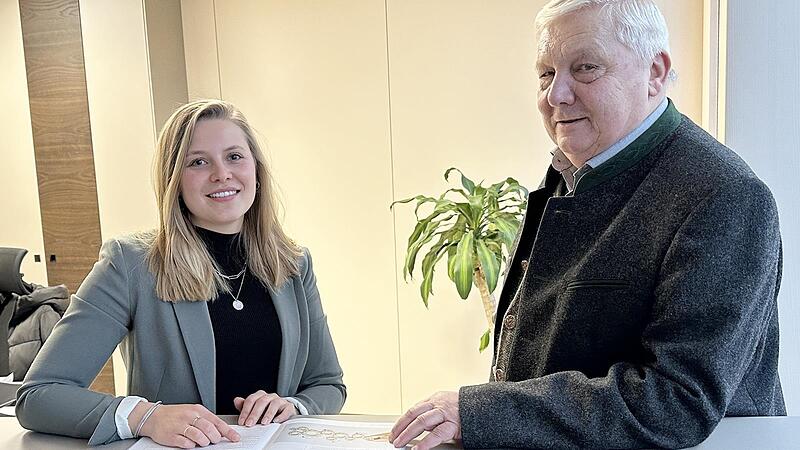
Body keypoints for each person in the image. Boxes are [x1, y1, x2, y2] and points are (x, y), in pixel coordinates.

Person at [390, 1, 785, 449]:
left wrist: (482, 413)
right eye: (545, 73)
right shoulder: (577, 168)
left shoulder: (723, 195)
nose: (555, 95)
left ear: (655, 72)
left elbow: (675, 402)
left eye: (586, 68)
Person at [16, 100, 346, 448]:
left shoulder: (294, 264)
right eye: (199, 162)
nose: (222, 174)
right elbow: (40, 397)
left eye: (234, 156)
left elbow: (327, 384)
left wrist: (294, 405)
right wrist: (145, 416)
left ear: (256, 170)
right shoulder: (130, 264)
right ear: (174, 179)